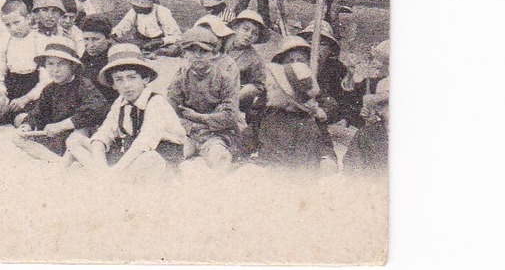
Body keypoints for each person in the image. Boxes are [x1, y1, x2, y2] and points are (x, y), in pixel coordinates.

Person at [65, 44, 187, 179]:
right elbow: (104, 133)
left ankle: (107, 177)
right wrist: (102, 167)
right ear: (114, 85)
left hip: (160, 155)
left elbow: (144, 142)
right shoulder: (120, 102)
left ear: (145, 79)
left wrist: (115, 170)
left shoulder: (156, 102)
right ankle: (103, 176)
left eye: (132, 77)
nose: (126, 85)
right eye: (119, 80)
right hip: (128, 155)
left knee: (149, 158)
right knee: (75, 141)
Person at [14, 38, 112, 160]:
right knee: (19, 138)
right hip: (58, 136)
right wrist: (27, 126)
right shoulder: (49, 89)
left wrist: (62, 125)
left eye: (61, 63)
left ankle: (66, 160)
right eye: (50, 64)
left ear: (72, 66)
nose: (55, 69)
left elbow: (97, 108)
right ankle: (56, 160)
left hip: (79, 133)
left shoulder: (83, 85)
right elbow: (39, 112)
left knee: (77, 136)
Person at [165, 26, 243, 173]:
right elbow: (171, 115)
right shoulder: (179, 81)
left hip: (217, 134)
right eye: (192, 51)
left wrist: (199, 117)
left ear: (213, 54)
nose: (197, 56)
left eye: (203, 51)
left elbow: (230, 116)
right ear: (184, 54)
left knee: (219, 159)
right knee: (174, 161)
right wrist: (193, 127)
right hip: (188, 134)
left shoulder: (224, 79)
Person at [256, 35, 338, 170]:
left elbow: (329, 103)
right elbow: (256, 114)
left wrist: (322, 111)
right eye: (290, 60)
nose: (295, 63)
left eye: (300, 60)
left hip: (313, 141)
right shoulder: (274, 92)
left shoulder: (310, 86)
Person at [0, 0, 42, 124]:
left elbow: (45, 80)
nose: (13, 28)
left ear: (28, 18)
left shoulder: (39, 41)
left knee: (26, 116)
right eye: (8, 25)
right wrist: (1, 91)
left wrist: (25, 99)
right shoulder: (5, 41)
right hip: (10, 88)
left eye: (17, 22)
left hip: (32, 92)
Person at [342, 40, 389, 173]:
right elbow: (351, 100)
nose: (374, 63)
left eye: (379, 60)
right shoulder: (373, 83)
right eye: (374, 59)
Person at [110, 0, 182, 53]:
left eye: (137, 6)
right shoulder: (134, 12)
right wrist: (113, 34)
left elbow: (177, 36)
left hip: (160, 45)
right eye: (133, 5)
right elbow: (121, 28)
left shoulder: (161, 12)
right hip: (141, 43)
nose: (134, 8)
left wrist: (161, 42)